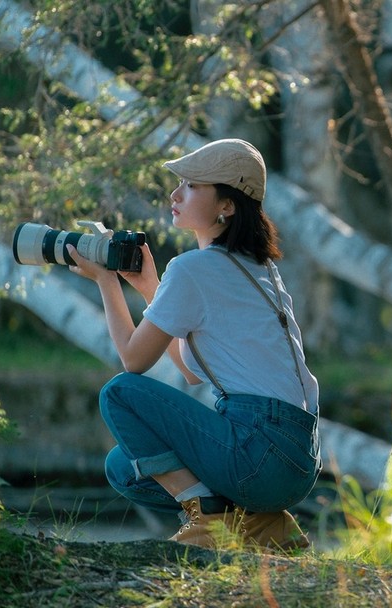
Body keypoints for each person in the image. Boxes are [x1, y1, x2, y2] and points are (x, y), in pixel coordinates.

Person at [67, 138, 321, 551]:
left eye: (191, 185)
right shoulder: (259, 268)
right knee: (124, 466)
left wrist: (105, 281)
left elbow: (133, 360)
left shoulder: (194, 268)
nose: (175, 194)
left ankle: (206, 520)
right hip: (296, 460)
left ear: (228, 205)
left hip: (257, 450)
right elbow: (190, 370)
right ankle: (264, 524)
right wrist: (151, 289)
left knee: (120, 394)